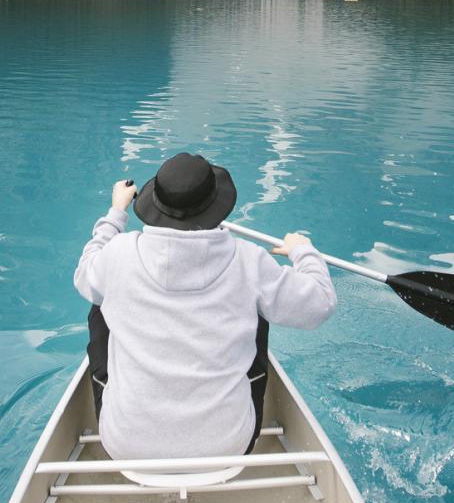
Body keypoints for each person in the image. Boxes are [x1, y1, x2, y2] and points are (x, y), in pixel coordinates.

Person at [73, 152, 337, 461]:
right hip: (227, 446)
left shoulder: (118, 255)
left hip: (127, 446)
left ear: (155, 202)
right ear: (216, 205)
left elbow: (84, 275)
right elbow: (320, 303)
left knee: (99, 298)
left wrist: (116, 213)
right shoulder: (248, 261)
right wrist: (303, 252)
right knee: (259, 307)